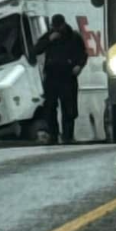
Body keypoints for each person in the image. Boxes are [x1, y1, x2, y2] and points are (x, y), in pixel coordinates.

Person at [32, 12, 87, 144]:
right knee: (50, 107)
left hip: (68, 76)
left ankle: (68, 136)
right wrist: (49, 40)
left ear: (63, 24)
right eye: (54, 27)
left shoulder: (74, 37)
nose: (57, 30)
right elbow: (36, 50)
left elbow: (83, 54)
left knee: (69, 108)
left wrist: (79, 66)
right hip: (51, 76)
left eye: (59, 27)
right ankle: (53, 135)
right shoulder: (49, 36)